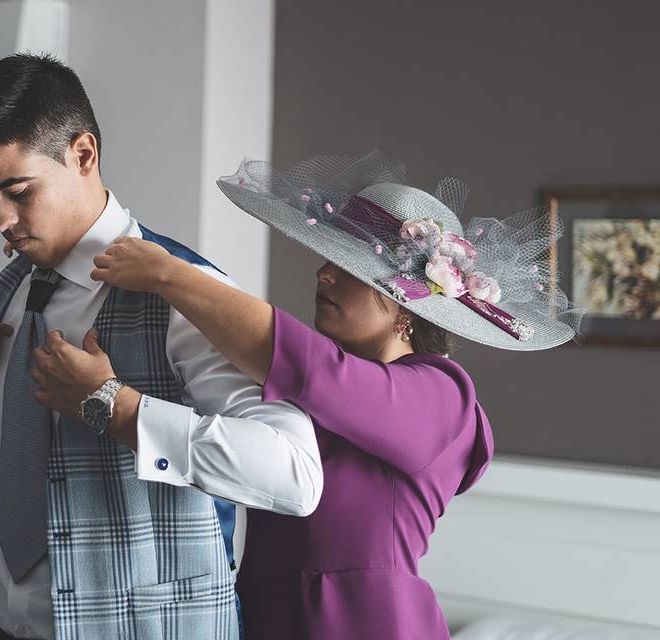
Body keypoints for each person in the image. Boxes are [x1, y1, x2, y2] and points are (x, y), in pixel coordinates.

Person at [0, 54, 322, 640]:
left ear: (83, 155)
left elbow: (294, 475)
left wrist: (116, 407)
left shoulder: (184, 293)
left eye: (17, 191)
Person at [48, 152, 582, 639]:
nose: (323, 274)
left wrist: (172, 274)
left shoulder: (444, 398)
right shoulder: (321, 389)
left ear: (407, 307)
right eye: (329, 259)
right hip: (264, 613)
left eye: (350, 268)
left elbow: (312, 370)